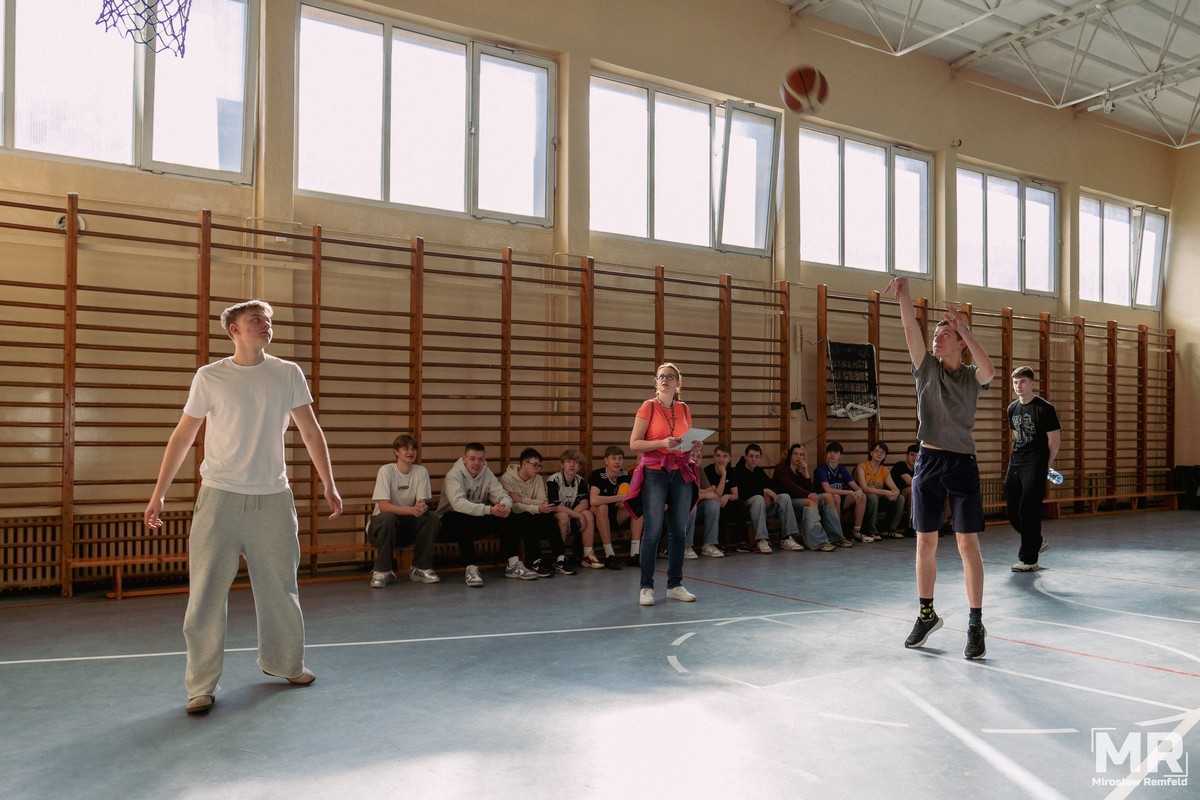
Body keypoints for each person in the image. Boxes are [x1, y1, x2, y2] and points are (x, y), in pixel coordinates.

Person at [143, 300, 343, 715]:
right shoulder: (210, 376)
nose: (265, 325)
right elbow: (183, 436)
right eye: (256, 320)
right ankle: (201, 686)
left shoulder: (287, 373)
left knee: (281, 589)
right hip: (219, 498)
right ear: (234, 330)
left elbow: (310, 430)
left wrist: (329, 483)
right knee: (205, 594)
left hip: (273, 499)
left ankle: (286, 663)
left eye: (268, 320)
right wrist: (159, 492)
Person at [886, 275, 995, 660]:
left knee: (967, 543)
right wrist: (904, 295)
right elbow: (909, 329)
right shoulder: (926, 368)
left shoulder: (970, 377)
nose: (937, 338)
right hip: (929, 461)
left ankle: (975, 623)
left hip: (962, 462)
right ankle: (926, 614)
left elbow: (990, 370)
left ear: (959, 342)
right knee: (925, 542)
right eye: (936, 334)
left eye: (945, 334)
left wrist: (963, 328)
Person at [625, 362, 701, 606]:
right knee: (653, 529)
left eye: (670, 376)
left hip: (680, 471)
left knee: (679, 530)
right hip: (655, 472)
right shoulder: (648, 406)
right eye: (661, 376)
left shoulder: (684, 408)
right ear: (656, 382)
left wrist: (693, 445)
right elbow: (634, 443)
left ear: (678, 382)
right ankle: (646, 587)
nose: (665, 379)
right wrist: (660, 443)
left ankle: (675, 585)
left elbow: (685, 441)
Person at [436, 442, 539, 586]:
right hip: (447, 524)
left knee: (507, 515)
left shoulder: (486, 473)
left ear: (484, 459)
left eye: (480, 459)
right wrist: (490, 510)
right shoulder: (453, 475)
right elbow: (459, 505)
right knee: (460, 518)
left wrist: (504, 506)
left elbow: (502, 495)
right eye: (472, 459)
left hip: (475, 519)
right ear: (464, 459)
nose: (477, 463)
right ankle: (471, 568)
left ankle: (513, 565)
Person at [366, 434, 441, 588]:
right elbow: (384, 506)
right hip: (382, 528)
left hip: (406, 528)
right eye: (405, 449)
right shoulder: (386, 471)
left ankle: (420, 568)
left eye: (413, 449)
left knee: (431, 518)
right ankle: (381, 571)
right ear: (396, 452)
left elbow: (421, 502)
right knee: (388, 517)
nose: (410, 452)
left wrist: (422, 508)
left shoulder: (421, 471)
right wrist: (411, 510)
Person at [1005, 366, 1061, 572]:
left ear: (1032, 384)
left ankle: (1029, 560)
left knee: (1028, 510)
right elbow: (1016, 434)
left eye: (1023, 382)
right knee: (1013, 509)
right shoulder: (1012, 408)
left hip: (1036, 463)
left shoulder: (1044, 409)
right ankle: (1036, 540)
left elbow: (1054, 440)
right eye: (1015, 382)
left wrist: (1046, 465)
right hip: (1016, 462)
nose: (1018, 386)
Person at [500, 447, 575, 577]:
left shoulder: (538, 478)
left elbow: (542, 501)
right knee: (527, 517)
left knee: (549, 516)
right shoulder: (507, 478)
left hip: (533, 514)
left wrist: (522, 500)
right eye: (535, 465)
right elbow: (514, 507)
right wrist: (536, 507)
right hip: (515, 519)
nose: (538, 469)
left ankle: (560, 558)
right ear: (524, 464)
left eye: (540, 466)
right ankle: (535, 561)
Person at [773, 443, 843, 551]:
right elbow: (790, 486)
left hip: (798, 502)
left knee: (828, 497)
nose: (798, 457)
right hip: (784, 503)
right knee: (811, 501)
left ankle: (835, 537)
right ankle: (817, 541)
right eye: (795, 454)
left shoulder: (799, 474)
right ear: (790, 455)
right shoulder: (781, 468)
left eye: (801, 455)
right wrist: (808, 494)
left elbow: (812, 490)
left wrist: (806, 470)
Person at [733, 443, 801, 554]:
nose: (754, 459)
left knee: (784, 497)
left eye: (757, 457)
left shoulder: (759, 471)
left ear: (760, 458)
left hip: (763, 507)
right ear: (745, 457)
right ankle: (762, 539)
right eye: (751, 456)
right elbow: (742, 493)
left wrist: (769, 494)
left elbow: (771, 486)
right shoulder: (737, 471)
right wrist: (763, 491)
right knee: (758, 498)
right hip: (747, 508)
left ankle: (787, 538)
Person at [585, 446, 634, 569]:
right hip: (597, 517)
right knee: (602, 507)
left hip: (616, 516)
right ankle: (610, 554)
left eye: (620, 458)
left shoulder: (625, 474)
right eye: (613, 458)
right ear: (606, 461)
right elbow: (593, 500)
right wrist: (619, 498)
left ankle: (635, 553)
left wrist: (625, 502)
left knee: (637, 507)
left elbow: (632, 496)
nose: (617, 461)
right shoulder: (598, 475)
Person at [545, 448, 593, 571]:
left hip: (570, 514)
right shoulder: (553, 480)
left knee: (587, 514)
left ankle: (587, 555)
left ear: (579, 467)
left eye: (576, 462)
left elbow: (585, 503)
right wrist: (577, 515)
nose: (572, 465)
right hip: (553, 515)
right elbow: (554, 506)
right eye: (568, 461)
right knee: (564, 516)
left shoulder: (580, 480)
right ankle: (559, 558)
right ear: (562, 464)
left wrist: (574, 515)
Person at [814, 441, 869, 542]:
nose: (832, 455)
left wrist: (859, 491)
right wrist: (849, 492)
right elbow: (828, 490)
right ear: (826, 454)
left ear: (841, 455)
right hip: (824, 501)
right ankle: (838, 534)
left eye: (835, 452)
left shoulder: (842, 469)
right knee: (836, 496)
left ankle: (856, 531)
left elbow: (856, 487)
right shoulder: (821, 469)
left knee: (862, 496)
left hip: (840, 499)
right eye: (830, 452)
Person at [854, 441, 907, 539]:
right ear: (871, 453)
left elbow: (896, 489)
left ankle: (889, 530)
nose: (879, 454)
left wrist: (894, 494)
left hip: (878, 496)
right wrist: (885, 492)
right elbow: (864, 488)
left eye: (882, 452)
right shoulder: (861, 466)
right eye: (876, 451)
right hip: (864, 496)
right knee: (873, 497)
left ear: (885, 456)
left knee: (900, 499)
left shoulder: (884, 470)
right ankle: (872, 531)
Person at [702, 443, 742, 554]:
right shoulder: (708, 471)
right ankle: (720, 543)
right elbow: (717, 494)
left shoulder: (732, 471)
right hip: (713, 503)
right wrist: (724, 475)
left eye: (724, 456)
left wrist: (727, 496)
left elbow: (735, 495)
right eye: (718, 456)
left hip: (726, 501)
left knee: (739, 504)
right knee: (719, 506)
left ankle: (742, 541)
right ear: (714, 457)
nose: (721, 459)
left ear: (729, 459)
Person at [683, 459, 719, 558]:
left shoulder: (698, 468)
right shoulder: (679, 468)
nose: (696, 458)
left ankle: (709, 544)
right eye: (693, 455)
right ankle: (686, 546)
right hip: (679, 509)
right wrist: (702, 494)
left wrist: (697, 492)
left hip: (697, 510)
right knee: (691, 505)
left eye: (699, 456)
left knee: (713, 502)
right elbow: (685, 494)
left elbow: (710, 491)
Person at [889, 444, 920, 537]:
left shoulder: (919, 468)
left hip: (911, 495)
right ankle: (911, 526)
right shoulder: (900, 465)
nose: (914, 458)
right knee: (912, 490)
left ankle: (941, 526)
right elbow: (912, 482)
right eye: (912, 455)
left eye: (917, 455)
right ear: (907, 455)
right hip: (895, 495)